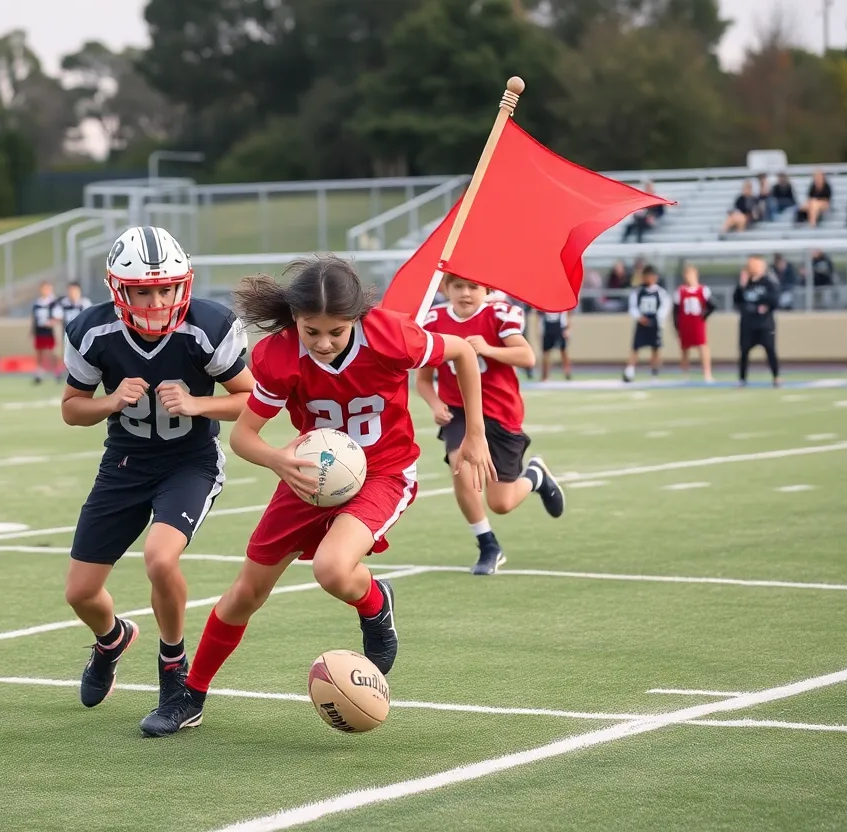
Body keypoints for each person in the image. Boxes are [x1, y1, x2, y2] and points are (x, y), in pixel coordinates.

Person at [138, 254, 495, 738]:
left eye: (337, 332)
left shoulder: (392, 335)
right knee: (246, 592)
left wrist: (475, 433)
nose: (323, 343)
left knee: (332, 568)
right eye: (312, 331)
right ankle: (191, 695)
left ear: (356, 320)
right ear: (295, 320)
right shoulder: (281, 354)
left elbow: (464, 354)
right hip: (309, 475)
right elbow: (245, 436)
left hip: (384, 471)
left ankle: (373, 603)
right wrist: (278, 460)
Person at [61, 226, 253, 723]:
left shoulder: (207, 325)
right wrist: (109, 400)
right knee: (80, 593)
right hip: (123, 465)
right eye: (143, 290)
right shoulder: (93, 330)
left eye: (165, 288)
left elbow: (251, 399)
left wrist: (197, 403)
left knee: (159, 558)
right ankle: (112, 640)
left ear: (182, 285)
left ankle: (174, 672)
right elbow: (72, 409)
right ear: (118, 289)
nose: (156, 300)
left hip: (189, 462)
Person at [417, 274, 565, 575]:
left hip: (499, 411)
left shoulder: (499, 314)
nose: (466, 293)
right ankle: (487, 544)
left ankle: (535, 476)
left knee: (502, 502)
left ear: (488, 290)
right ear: (445, 288)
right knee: (460, 461)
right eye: (458, 286)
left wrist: (487, 348)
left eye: (473, 287)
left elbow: (527, 357)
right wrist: (435, 404)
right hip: (458, 409)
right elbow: (421, 379)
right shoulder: (434, 320)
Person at [734, 256, 780, 387]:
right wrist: (741, 285)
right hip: (748, 324)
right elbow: (737, 300)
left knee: (770, 350)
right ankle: (742, 379)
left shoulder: (768, 282)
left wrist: (766, 306)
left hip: (764, 324)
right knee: (744, 352)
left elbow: (775, 300)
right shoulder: (745, 283)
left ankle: (776, 377)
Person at [623, 266, 671, 382]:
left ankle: (654, 373)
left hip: (655, 323)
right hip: (642, 322)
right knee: (635, 347)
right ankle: (630, 371)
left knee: (656, 348)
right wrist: (639, 317)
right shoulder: (638, 291)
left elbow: (665, 306)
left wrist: (659, 319)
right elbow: (633, 307)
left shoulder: (660, 292)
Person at [673, 265, 715, 383]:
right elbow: (675, 310)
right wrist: (676, 326)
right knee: (684, 349)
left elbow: (712, 305)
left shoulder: (703, 290)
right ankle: (685, 374)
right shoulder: (680, 291)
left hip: (697, 322)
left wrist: (704, 315)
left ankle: (707, 373)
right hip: (685, 322)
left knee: (702, 347)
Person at [54, 281, 92, 381]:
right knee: (65, 354)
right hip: (67, 333)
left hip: (81, 334)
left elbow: (89, 319)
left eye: (74, 290)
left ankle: (84, 374)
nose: (72, 293)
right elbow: (57, 316)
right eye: (70, 290)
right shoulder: (63, 303)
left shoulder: (85, 303)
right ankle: (61, 373)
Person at [31, 281, 58, 384]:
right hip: (39, 331)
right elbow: (34, 318)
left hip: (49, 331)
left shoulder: (53, 303)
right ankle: (39, 372)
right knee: (39, 352)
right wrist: (31, 331)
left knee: (51, 352)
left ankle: (55, 372)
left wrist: (51, 323)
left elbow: (57, 316)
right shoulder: (37, 303)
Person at [540, 310, 572, 381]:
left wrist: (568, 328)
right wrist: (540, 330)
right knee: (546, 353)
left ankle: (567, 372)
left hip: (560, 327)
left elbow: (568, 314)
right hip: (548, 328)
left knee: (563, 351)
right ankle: (545, 375)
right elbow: (539, 316)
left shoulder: (561, 303)